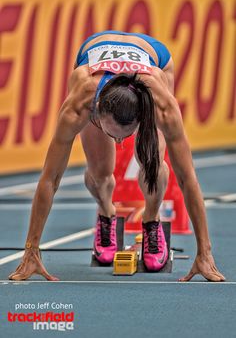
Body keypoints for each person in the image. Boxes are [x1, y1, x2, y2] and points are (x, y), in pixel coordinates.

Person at [9, 30, 225, 281]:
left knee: (152, 165)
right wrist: (30, 250)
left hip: (154, 61)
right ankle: (106, 211)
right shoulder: (81, 101)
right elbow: (50, 178)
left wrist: (205, 253)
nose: (120, 142)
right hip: (95, 61)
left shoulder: (161, 105)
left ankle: (151, 219)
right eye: (112, 134)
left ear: (143, 116)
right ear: (97, 112)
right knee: (100, 173)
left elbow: (188, 179)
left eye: (126, 135)